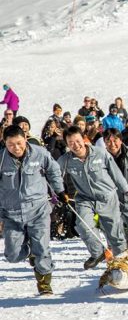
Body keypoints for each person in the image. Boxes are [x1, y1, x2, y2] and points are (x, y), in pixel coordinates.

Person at [0, 125, 65, 295]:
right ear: (5, 143)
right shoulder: (1, 160)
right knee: (12, 255)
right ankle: (28, 251)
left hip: (38, 210)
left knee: (42, 248)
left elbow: (53, 170)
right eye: (11, 144)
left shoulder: (39, 153)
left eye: (19, 143)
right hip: (12, 214)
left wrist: (60, 191)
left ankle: (44, 283)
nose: (16, 148)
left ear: (25, 139)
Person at [58, 126, 128, 269]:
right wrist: (59, 191)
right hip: (84, 198)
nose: (75, 145)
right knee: (83, 226)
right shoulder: (65, 160)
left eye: (77, 141)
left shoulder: (100, 153)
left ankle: (124, 263)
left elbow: (114, 171)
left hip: (107, 197)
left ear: (83, 139)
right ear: (67, 144)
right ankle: (97, 253)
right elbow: (55, 174)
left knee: (115, 234)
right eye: (71, 142)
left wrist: (125, 189)